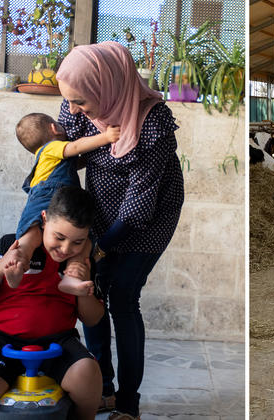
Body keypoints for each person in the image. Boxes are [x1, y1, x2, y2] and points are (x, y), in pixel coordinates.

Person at [56, 41, 185, 420]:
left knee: (124, 298)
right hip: (100, 204)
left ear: (106, 84)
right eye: (70, 101)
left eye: (81, 100)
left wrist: (99, 249)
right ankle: (103, 389)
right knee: (92, 293)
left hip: (149, 216)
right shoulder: (74, 103)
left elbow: (139, 203)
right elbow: (65, 152)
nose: (74, 109)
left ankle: (128, 400)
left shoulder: (154, 122)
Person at [0, 186, 104, 420]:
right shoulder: (13, 244)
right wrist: (3, 264)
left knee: (88, 373)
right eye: (59, 237)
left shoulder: (80, 260)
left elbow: (93, 318)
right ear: (44, 219)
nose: (66, 249)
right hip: (3, 340)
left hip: (58, 342)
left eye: (78, 241)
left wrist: (83, 285)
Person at [12, 112, 121, 294]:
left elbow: (73, 163)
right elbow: (76, 146)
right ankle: (19, 265)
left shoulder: (49, 159)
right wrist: (106, 137)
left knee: (34, 234)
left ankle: (21, 263)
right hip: (47, 197)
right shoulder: (51, 147)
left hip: (43, 200)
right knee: (75, 240)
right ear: (54, 128)